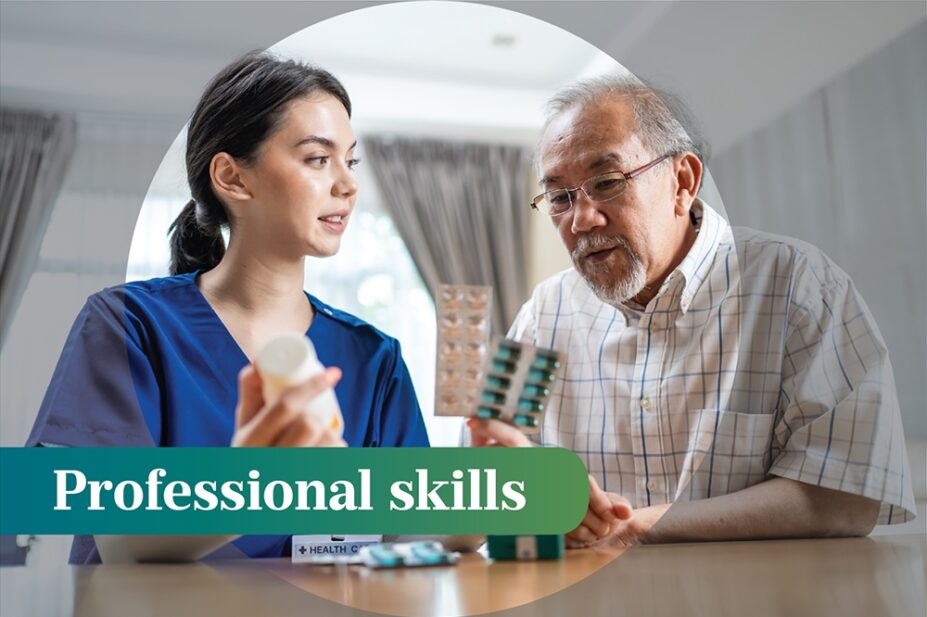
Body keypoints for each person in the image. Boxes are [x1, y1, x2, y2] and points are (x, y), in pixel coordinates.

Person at [467, 74, 915, 547]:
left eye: (606, 182)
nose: (581, 220)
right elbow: (473, 503)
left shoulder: (797, 286)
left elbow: (845, 498)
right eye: (560, 197)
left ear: (683, 181)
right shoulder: (544, 314)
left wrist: (634, 526)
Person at [26, 52, 430, 563]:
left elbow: (409, 534)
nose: (348, 186)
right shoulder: (129, 325)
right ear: (233, 178)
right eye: (317, 159)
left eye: (349, 162)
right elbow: (120, 541)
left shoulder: (375, 358)